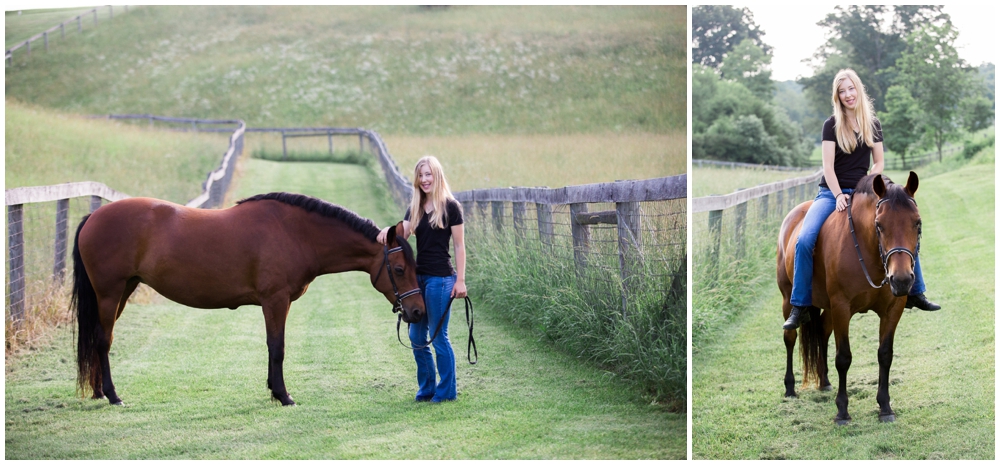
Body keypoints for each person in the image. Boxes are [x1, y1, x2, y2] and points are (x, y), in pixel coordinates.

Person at [783, 69, 940, 331]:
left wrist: (867, 183)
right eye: (842, 91)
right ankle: (800, 305)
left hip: (863, 190)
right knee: (804, 239)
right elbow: (828, 168)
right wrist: (838, 195)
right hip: (830, 192)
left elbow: (879, 161)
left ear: (858, 89)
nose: (847, 95)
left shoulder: (872, 123)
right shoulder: (831, 125)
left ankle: (916, 292)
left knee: (901, 227)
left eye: (851, 89)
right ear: (837, 96)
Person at [377, 155, 467, 402]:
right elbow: (401, 234)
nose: (424, 179)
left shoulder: (451, 207)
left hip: (441, 280)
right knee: (417, 336)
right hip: (419, 280)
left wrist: (460, 281)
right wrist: (387, 231)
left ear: (437, 176)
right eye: (420, 175)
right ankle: (427, 388)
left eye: (428, 174)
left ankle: (447, 391)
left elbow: (459, 246)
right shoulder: (415, 208)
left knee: (439, 337)